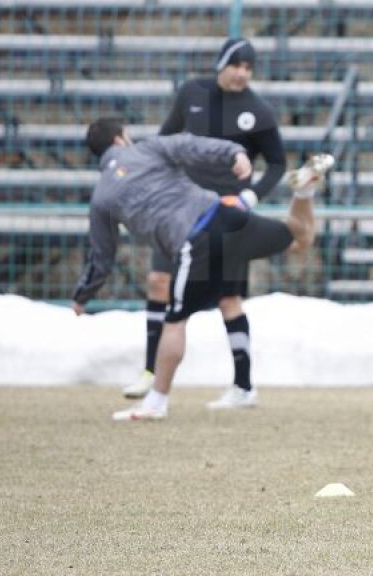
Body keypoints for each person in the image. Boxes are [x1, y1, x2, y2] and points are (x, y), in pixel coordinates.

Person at [71, 117, 332, 421]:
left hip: (196, 241)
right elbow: (191, 144)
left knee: (176, 320)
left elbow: (103, 255)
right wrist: (235, 153)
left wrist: (82, 295)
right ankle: (303, 193)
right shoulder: (149, 149)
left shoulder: (102, 197)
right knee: (300, 238)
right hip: (223, 214)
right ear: (119, 139)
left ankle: (156, 401)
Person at [123, 36, 287, 410]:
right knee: (158, 281)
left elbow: (277, 163)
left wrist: (252, 195)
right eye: (237, 66)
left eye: (249, 68)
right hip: (179, 213)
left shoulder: (257, 111)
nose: (243, 74)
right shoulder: (192, 93)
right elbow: (164, 142)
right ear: (221, 64)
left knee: (229, 299)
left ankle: (244, 387)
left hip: (225, 220)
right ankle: (151, 373)